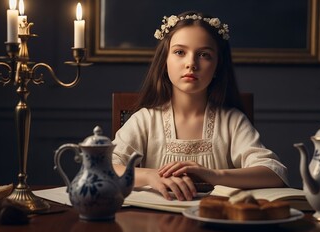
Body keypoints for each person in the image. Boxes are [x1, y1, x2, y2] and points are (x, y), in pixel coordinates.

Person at [112, 11, 288, 201]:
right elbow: (105, 167)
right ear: (164, 62)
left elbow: (275, 173)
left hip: (217, 222)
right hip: (157, 223)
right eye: (180, 52)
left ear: (217, 67)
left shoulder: (231, 121)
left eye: (204, 55)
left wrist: (214, 175)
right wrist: (150, 176)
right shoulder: (146, 120)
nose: (191, 64)